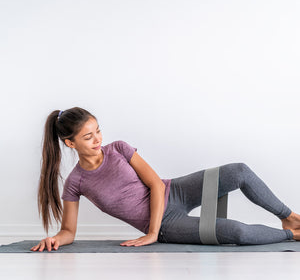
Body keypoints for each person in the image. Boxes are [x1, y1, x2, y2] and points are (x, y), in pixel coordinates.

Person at [31, 107, 300, 252]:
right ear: (69, 143)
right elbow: (69, 231)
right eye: (88, 137)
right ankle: (292, 235)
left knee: (238, 170)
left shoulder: (119, 149)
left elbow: (156, 184)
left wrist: (149, 235)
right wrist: (55, 239)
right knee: (236, 232)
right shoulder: (76, 183)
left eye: (98, 131)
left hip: (174, 191)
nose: (98, 139)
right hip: (167, 225)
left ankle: (288, 216)